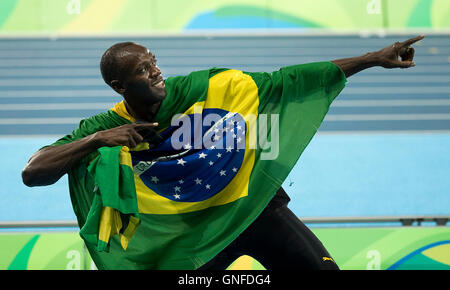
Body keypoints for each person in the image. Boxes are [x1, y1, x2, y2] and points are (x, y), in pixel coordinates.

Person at [22, 35, 424, 270]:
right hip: (196, 232)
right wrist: (96, 142)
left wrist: (373, 59)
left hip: (255, 211)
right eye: (143, 70)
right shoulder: (105, 127)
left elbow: (286, 81)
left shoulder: (204, 88)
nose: (157, 71)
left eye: (154, 62)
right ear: (118, 86)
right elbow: (34, 170)